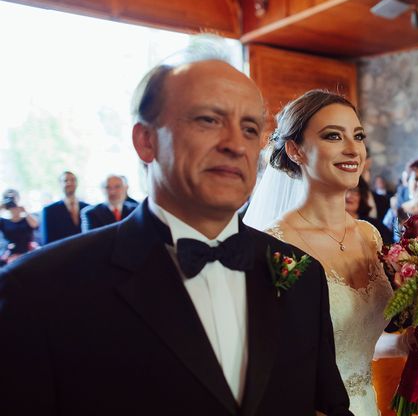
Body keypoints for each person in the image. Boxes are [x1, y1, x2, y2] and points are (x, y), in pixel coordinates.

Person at [0, 52, 351, 415]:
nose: (235, 144)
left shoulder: (300, 273)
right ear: (145, 140)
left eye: (250, 129)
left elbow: (329, 407)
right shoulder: (40, 292)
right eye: (209, 120)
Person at [244, 90, 418, 416]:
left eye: (358, 136)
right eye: (333, 136)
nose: (353, 149)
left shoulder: (368, 236)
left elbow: (355, 345)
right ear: (295, 150)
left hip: (366, 404)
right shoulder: (275, 248)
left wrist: (406, 345)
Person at [41, 171, 89, 244]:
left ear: (77, 183)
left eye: (72, 180)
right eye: (65, 180)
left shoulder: (88, 208)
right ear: (60, 184)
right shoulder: (49, 211)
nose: (69, 183)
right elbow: (47, 242)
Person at [346, 178, 393, 245]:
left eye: (354, 191)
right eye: (344, 191)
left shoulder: (375, 226)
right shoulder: (329, 227)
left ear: (362, 196)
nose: (348, 195)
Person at [0, 189, 39, 264]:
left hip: (29, 250)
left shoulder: (26, 218)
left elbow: (35, 225)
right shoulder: (3, 221)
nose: (11, 200)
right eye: (7, 198)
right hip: (11, 253)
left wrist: (25, 211)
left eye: (13, 197)